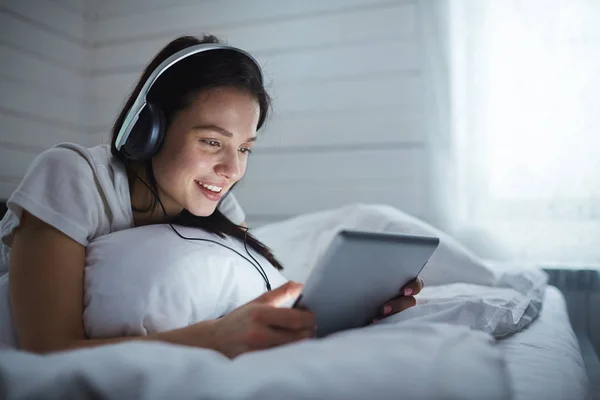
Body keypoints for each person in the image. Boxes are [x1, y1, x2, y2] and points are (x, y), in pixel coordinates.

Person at [1, 34, 423, 359]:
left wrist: (347, 311)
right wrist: (212, 339)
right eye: (211, 142)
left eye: (244, 149)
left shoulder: (219, 205)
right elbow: (48, 351)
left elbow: (244, 303)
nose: (233, 171)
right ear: (148, 130)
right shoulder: (73, 176)